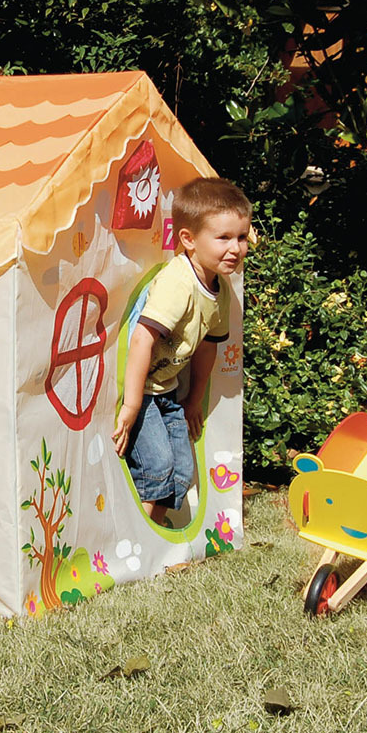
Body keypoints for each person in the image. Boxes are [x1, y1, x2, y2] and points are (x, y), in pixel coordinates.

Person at [113, 177, 251, 523]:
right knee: (157, 466)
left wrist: (194, 400)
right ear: (188, 240)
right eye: (223, 238)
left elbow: (207, 348)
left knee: (181, 469)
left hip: (168, 393)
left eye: (241, 237)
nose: (235, 248)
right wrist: (131, 404)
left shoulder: (219, 289)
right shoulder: (180, 283)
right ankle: (137, 543)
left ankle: (154, 535)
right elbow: (143, 336)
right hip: (142, 393)